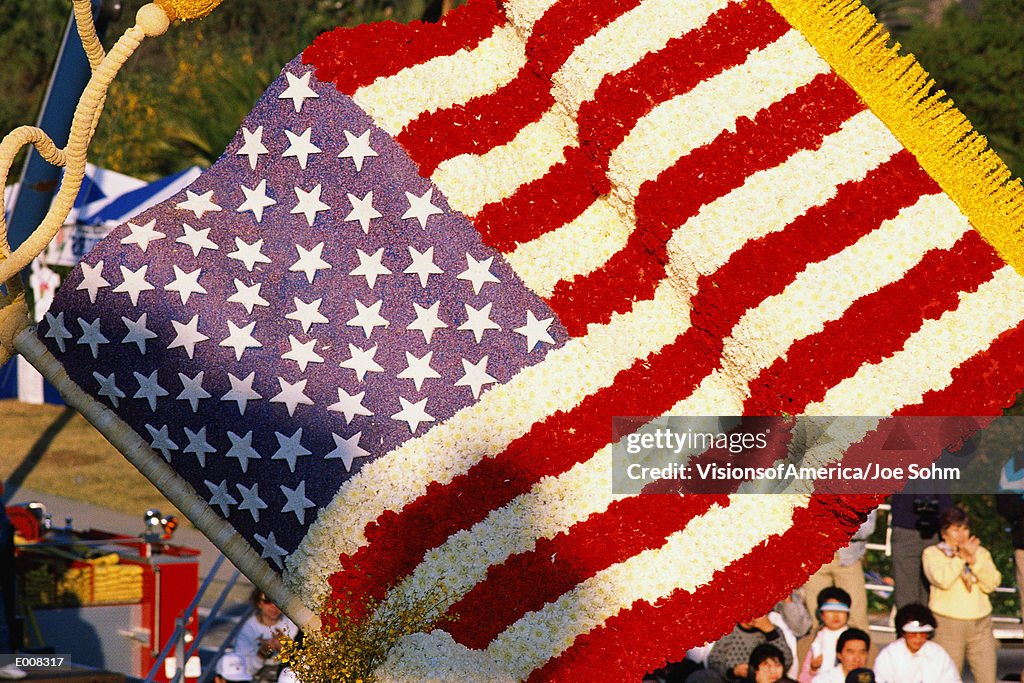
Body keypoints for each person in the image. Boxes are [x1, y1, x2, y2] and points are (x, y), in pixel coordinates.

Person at [922, 506, 999, 683]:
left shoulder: (980, 552)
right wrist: (961, 558)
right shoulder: (932, 554)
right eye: (956, 530)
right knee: (947, 677)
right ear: (944, 533)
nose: (962, 535)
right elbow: (943, 580)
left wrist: (975, 563)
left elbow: (992, 584)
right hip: (948, 624)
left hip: (980, 624)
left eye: (965, 529)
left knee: (987, 677)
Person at [803, 511, 875, 630]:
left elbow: (868, 527)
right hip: (814, 556)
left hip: (848, 558)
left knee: (856, 619)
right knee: (816, 619)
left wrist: (839, 529)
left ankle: (861, 648)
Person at [889, 491, 952, 609]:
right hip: (905, 526)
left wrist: (947, 522)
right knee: (906, 596)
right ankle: (908, 625)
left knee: (935, 594)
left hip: (938, 527)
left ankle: (929, 626)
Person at [873, 603, 960, 683]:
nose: (918, 638)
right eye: (913, 634)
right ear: (903, 633)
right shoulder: (889, 655)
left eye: (923, 634)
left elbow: (952, 679)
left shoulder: (938, 654)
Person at [699, 614, 794, 682]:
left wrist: (770, 632)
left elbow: (786, 661)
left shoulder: (772, 630)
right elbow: (714, 662)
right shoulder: (729, 630)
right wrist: (733, 672)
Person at [234, 589, 299, 683]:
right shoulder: (248, 630)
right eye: (267, 601)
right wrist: (262, 653)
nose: (273, 606)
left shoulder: (291, 624)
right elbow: (242, 670)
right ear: (259, 603)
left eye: (277, 601)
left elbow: (301, 659)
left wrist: (284, 649)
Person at [798, 588, 851, 683]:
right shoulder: (812, 641)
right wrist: (813, 669)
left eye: (841, 611)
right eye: (830, 610)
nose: (836, 615)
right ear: (821, 614)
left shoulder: (856, 639)